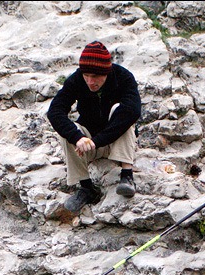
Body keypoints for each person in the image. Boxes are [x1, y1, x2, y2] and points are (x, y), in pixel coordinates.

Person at [47, 41, 141, 213]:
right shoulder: (76, 79)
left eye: (96, 77)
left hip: (116, 143)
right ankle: (86, 187)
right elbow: (55, 111)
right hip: (89, 145)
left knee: (122, 112)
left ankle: (127, 177)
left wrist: (97, 141)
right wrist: (78, 138)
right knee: (68, 130)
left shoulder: (123, 77)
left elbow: (133, 110)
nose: (90, 81)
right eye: (86, 76)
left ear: (106, 72)